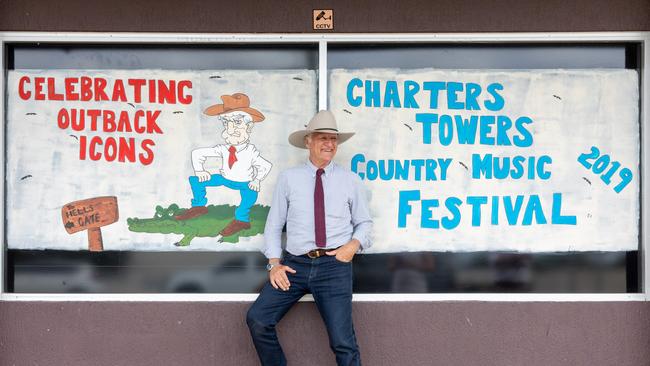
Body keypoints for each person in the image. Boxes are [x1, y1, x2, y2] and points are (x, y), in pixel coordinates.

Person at [246, 110, 373, 366]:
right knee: (258, 319)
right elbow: (273, 226)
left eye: (333, 139)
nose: (329, 144)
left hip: (334, 266)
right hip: (295, 266)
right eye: (322, 138)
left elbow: (365, 224)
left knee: (342, 342)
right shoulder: (288, 179)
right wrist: (274, 264)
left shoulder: (351, 181)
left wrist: (352, 246)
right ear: (308, 142)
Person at [175, 93, 272, 239]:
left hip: (245, 182)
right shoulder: (223, 148)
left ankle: (242, 220)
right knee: (195, 180)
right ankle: (199, 206)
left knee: (251, 195)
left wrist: (257, 179)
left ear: (249, 127)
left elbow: (265, 165)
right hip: (225, 178)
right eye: (227, 123)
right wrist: (200, 170)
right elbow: (197, 154)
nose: (231, 129)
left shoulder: (251, 152)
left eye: (238, 123)